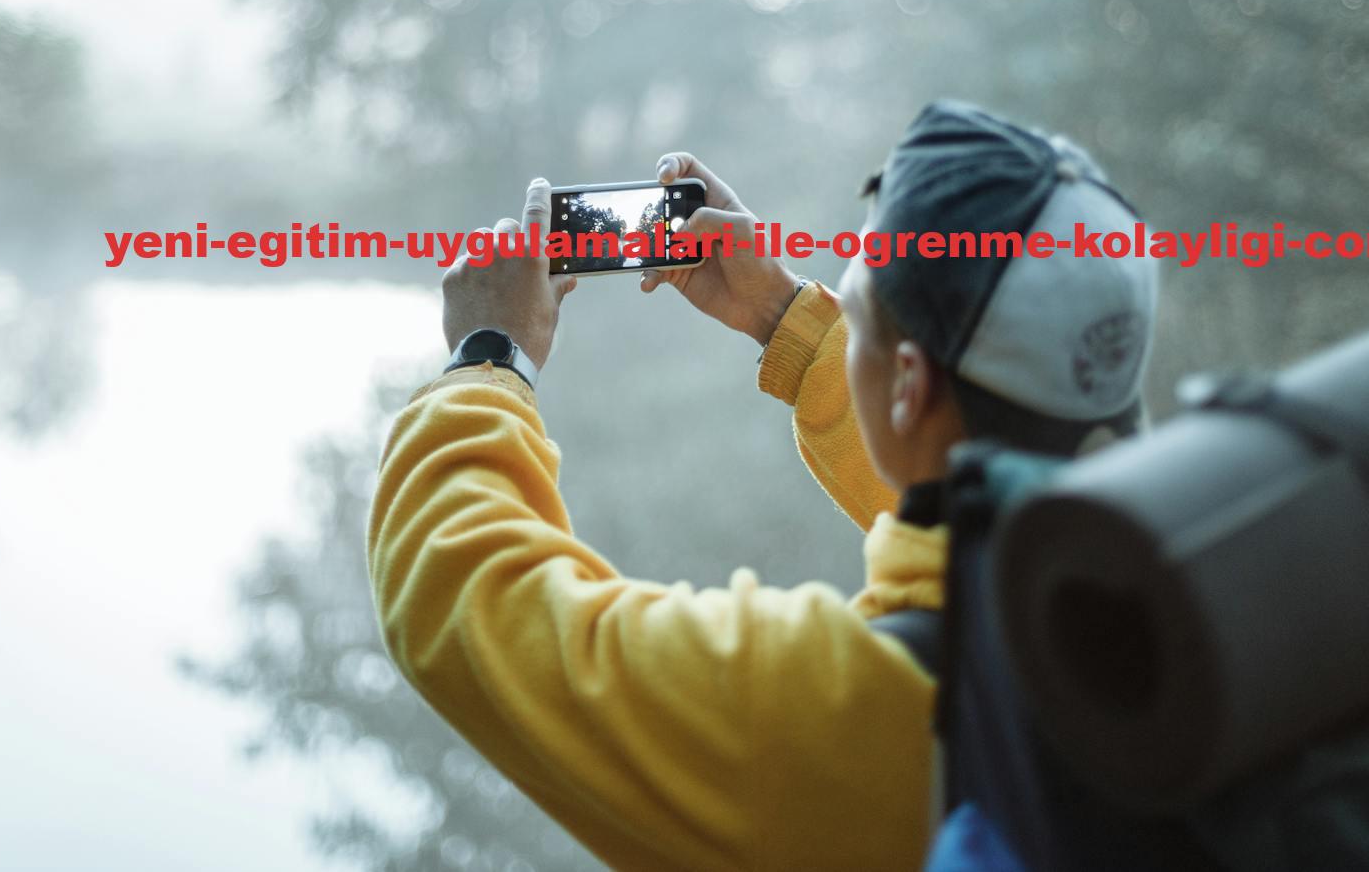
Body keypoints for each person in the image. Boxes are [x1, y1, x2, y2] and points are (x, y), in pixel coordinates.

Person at [366, 100, 1158, 871]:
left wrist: (489, 354)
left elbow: (466, 599)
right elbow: (963, 490)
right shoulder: (1194, 563)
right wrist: (786, 317)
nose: (849, 337)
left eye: (857, 318)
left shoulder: (836, 714)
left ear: (909, 387)